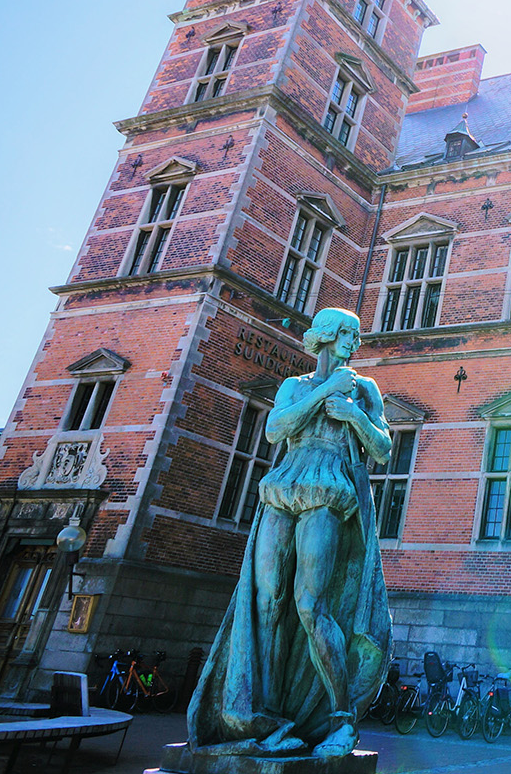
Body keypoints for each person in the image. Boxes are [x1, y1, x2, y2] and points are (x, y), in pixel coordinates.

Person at [188, 308, 392, 758]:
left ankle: (341, 720)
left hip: (328, 492)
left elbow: (382, 449)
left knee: (310, 604)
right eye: (346, 335)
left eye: (356, 337)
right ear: (325, 337)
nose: (353, 344)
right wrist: (323, 396)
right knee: (267, 604)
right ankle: (266, 715)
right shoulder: (294, 386)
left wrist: (354, 416)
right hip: (282, 490)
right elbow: (276, 429)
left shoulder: (365, 388)